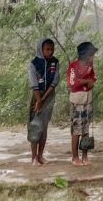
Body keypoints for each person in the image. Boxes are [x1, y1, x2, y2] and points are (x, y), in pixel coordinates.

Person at [27, 37, 59, 166]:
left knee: (44, 127)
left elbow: (55, 81)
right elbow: (34, 83)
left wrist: (44, 98)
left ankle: (40, 156)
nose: (50, 52)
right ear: (41, 49)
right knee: (35, 125)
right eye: (47, 49)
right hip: (36, 96)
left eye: (52, 49)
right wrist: (38, 100)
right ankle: (33, 157)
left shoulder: (55, 62)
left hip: (49, 96)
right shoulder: (34, 63)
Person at [67, 40, 98, 167]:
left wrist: (88, 81)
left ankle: (85, 156)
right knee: (76, 130)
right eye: (91, 54)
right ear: (85, 55)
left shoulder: (90, 66)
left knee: (86, 130)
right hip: (77, 101)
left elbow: (93, 79)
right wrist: (86, 81)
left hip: (87, 100)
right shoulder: (73, 66)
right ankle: (75, 157)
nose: (93, 57)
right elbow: (71, 84)